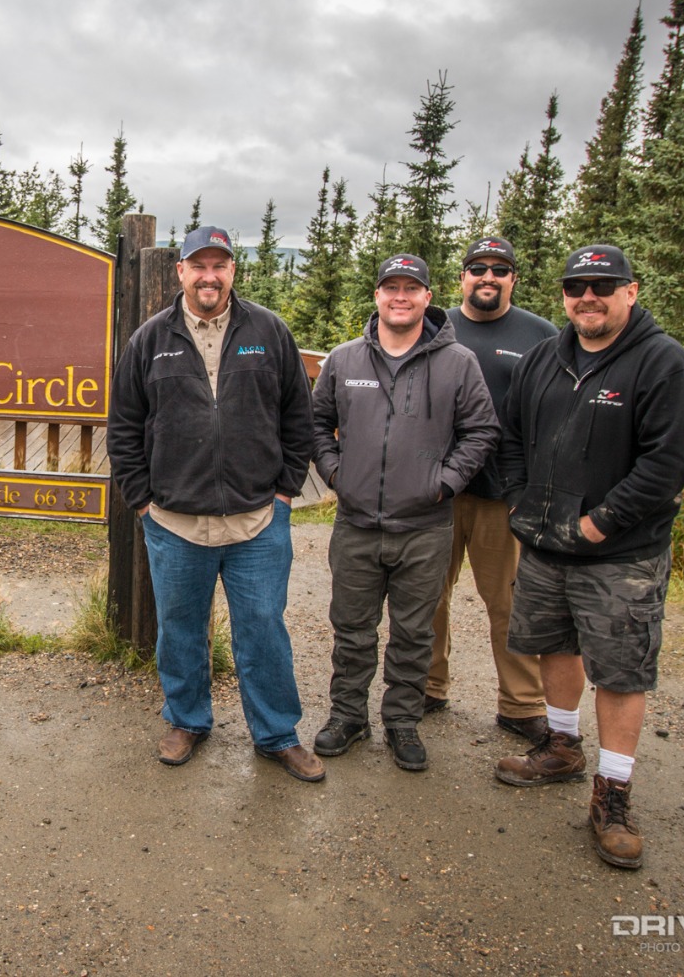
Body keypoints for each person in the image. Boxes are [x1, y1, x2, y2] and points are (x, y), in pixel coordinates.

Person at [493, 244, 684, 870]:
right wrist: (516, 501)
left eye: (602, 285)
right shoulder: (545, 359)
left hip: (621, 555)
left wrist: (601, 523)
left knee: (620, 670)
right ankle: (562, 745)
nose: (588, 296)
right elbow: (509, 436)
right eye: (576, 285)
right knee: (554, 646)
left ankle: (613, 795)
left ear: (631, 291)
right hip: (542, 542)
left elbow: (672, 460)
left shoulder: (663, 364)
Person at [107, 225, 323, 782]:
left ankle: (277, 733)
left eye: (219, 265)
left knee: (263, 629)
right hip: (175, 522)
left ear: (232, 271)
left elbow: (299, 417)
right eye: (198, 265)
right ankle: (186, 721)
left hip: (257, 520)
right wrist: (141, 502)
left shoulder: (268, 331)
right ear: (180, 271)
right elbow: (125, 426)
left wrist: (284, 491)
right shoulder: (150, 341)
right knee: (179, 628)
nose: (209, 275)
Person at [309, 254, 499, 771]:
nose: (400, 296)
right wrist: (336, 474)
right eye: (390, 287)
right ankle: (348, 716)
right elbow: (316, 422)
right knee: (351, 628)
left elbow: (481, 431)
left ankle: (402, 721)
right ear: (376, 296)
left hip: (425, 525)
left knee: (415, 632)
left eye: (410, 288)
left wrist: (446, 483)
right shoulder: (345, 360)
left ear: (427, 298)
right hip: (356, 524)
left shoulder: (458, 363)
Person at [423, 238, 557, 741]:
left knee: (509, 602)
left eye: (500, 270)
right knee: (428, 595)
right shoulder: (434, 329)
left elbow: (557, 410)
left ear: (513, 279)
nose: (488, 276)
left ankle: (521, 705)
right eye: (477, 268)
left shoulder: (540, 336)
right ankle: (427, 686)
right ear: (462, 277)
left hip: (505, 493)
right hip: (438, 490)